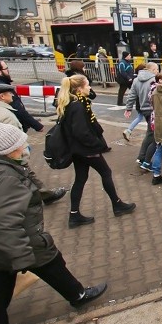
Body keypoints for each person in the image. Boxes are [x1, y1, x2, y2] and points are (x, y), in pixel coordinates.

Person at [0, 122, 108, 324]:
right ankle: (78, 295)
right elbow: (6, 223)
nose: (25, 147)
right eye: (21, 144)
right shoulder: (5, 177)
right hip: (18, 241)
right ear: (8, 150)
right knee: (51, 262)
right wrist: (19, 258)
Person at [57, 75, 136, 227]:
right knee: (105, 172)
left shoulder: (71, 102)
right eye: (87, 85)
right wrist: (96, 145)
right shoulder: (78, 106)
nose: (90, 87)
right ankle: (117, 204)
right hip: (86, 149)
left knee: (80, 178)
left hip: (76, 149)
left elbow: (90, 97)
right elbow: (81, 131)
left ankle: (74, 214)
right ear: (79, 88)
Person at [0, 84, 67, 205]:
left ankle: (45, 195)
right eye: (10, 93)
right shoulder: (4, 115)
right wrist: (23, 155)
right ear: (2, 96)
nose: (13, 95)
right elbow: (13, 139)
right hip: (8, 154)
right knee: (24, 174)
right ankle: (42, 196)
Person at [0, 58, 45, 132]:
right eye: (6, 68)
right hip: (9, 126)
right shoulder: (3, 87)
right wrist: (37, 126)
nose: (8, 71)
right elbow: (18, 109)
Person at [125, 62, 158, 162]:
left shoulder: (136, 80)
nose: (158, 71)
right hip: (153, 109)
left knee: (152, 132)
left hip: (144, 109)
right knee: (151, 134)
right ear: (152, 70)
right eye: (157, 69)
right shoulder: (154, 80)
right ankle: (142, 157)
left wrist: (128, 108)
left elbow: (131, 95)